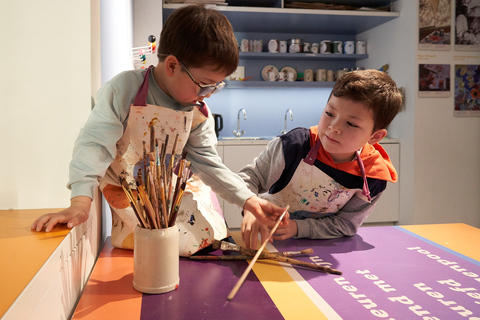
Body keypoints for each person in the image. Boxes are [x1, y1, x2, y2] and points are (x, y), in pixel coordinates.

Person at [31, 4, 285, 249]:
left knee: (209, 245)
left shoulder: (197, 111)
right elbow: (94, 146)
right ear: (173, 65)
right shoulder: (124, 90)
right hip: (130, 196)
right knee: (151, 248)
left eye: (216, 87)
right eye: (205, 84)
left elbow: (208, 164)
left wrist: (249, 200)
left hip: (173, 196)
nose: (208, 95)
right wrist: (79, 203)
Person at [239, 69, 402, 249]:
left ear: (375, 136)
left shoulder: (373, 176)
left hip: (323, 248)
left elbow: (346, 224)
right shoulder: (294, 146)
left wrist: (297, 228)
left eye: (351, 123)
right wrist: (250, 206)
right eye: (330, 114)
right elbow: (249, 177)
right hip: (265, 239)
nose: (333, 127)